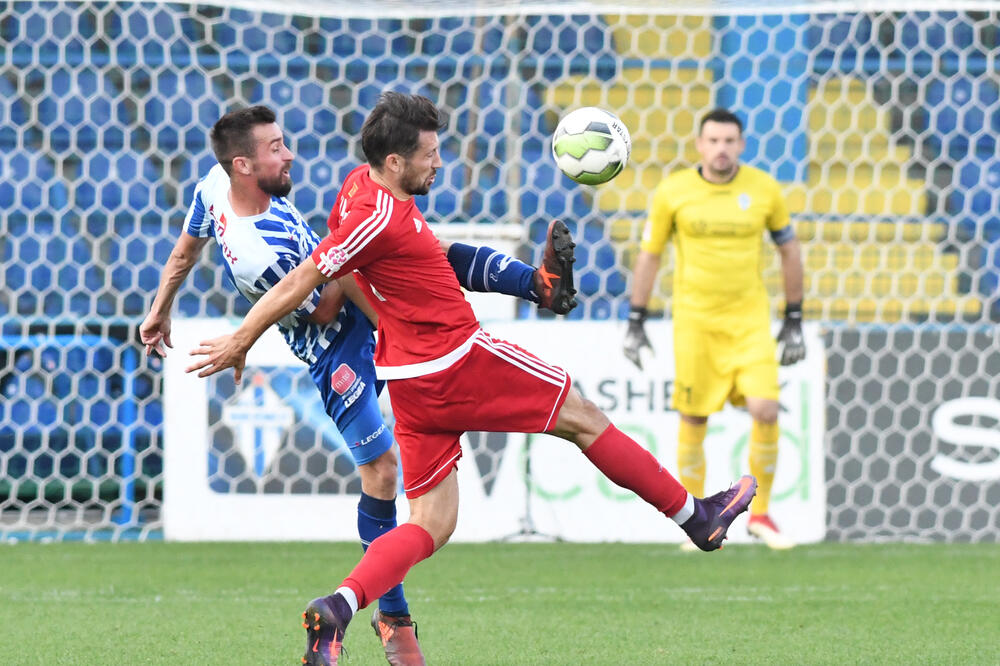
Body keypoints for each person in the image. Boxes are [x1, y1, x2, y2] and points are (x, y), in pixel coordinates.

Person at [184, 93, 757, 666]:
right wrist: (241, 340)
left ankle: (337, 608)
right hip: (457, 358)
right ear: (394, 162)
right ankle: (695, 517)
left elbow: (440, 255)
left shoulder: (362, 188)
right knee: (583, 417)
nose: (439, 163)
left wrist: (532, 285)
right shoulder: (376, 216)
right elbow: (305, 278)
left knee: (432, 524)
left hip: (410, 381)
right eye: (429, 154)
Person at [139, 105, 578, 666]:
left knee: (423, 248)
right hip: (336, 347)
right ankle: (391, 618)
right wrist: (352, 254)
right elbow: (322, 308)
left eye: (284, 141)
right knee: (383, 470)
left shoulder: (212, 185)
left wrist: (159, 310)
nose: (289, 153)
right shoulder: (263, 248)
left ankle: (538, 286)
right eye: (276, 148)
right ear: (244, 165)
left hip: (352, 298)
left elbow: (184, 250)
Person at [622, 108, 805, 551]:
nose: (722, 148)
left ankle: (760, 515)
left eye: (729, 141)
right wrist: (636, 319)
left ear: (741, 145)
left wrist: (794, 316)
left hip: (749, 322)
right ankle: (698, 520)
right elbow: (650, 256)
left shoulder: (764, 189)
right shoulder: (674, 192)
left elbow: (789, 249)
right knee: (694, 416)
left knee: (765, 408)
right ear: (700, 145)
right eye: (714, 140)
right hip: (695, 323)